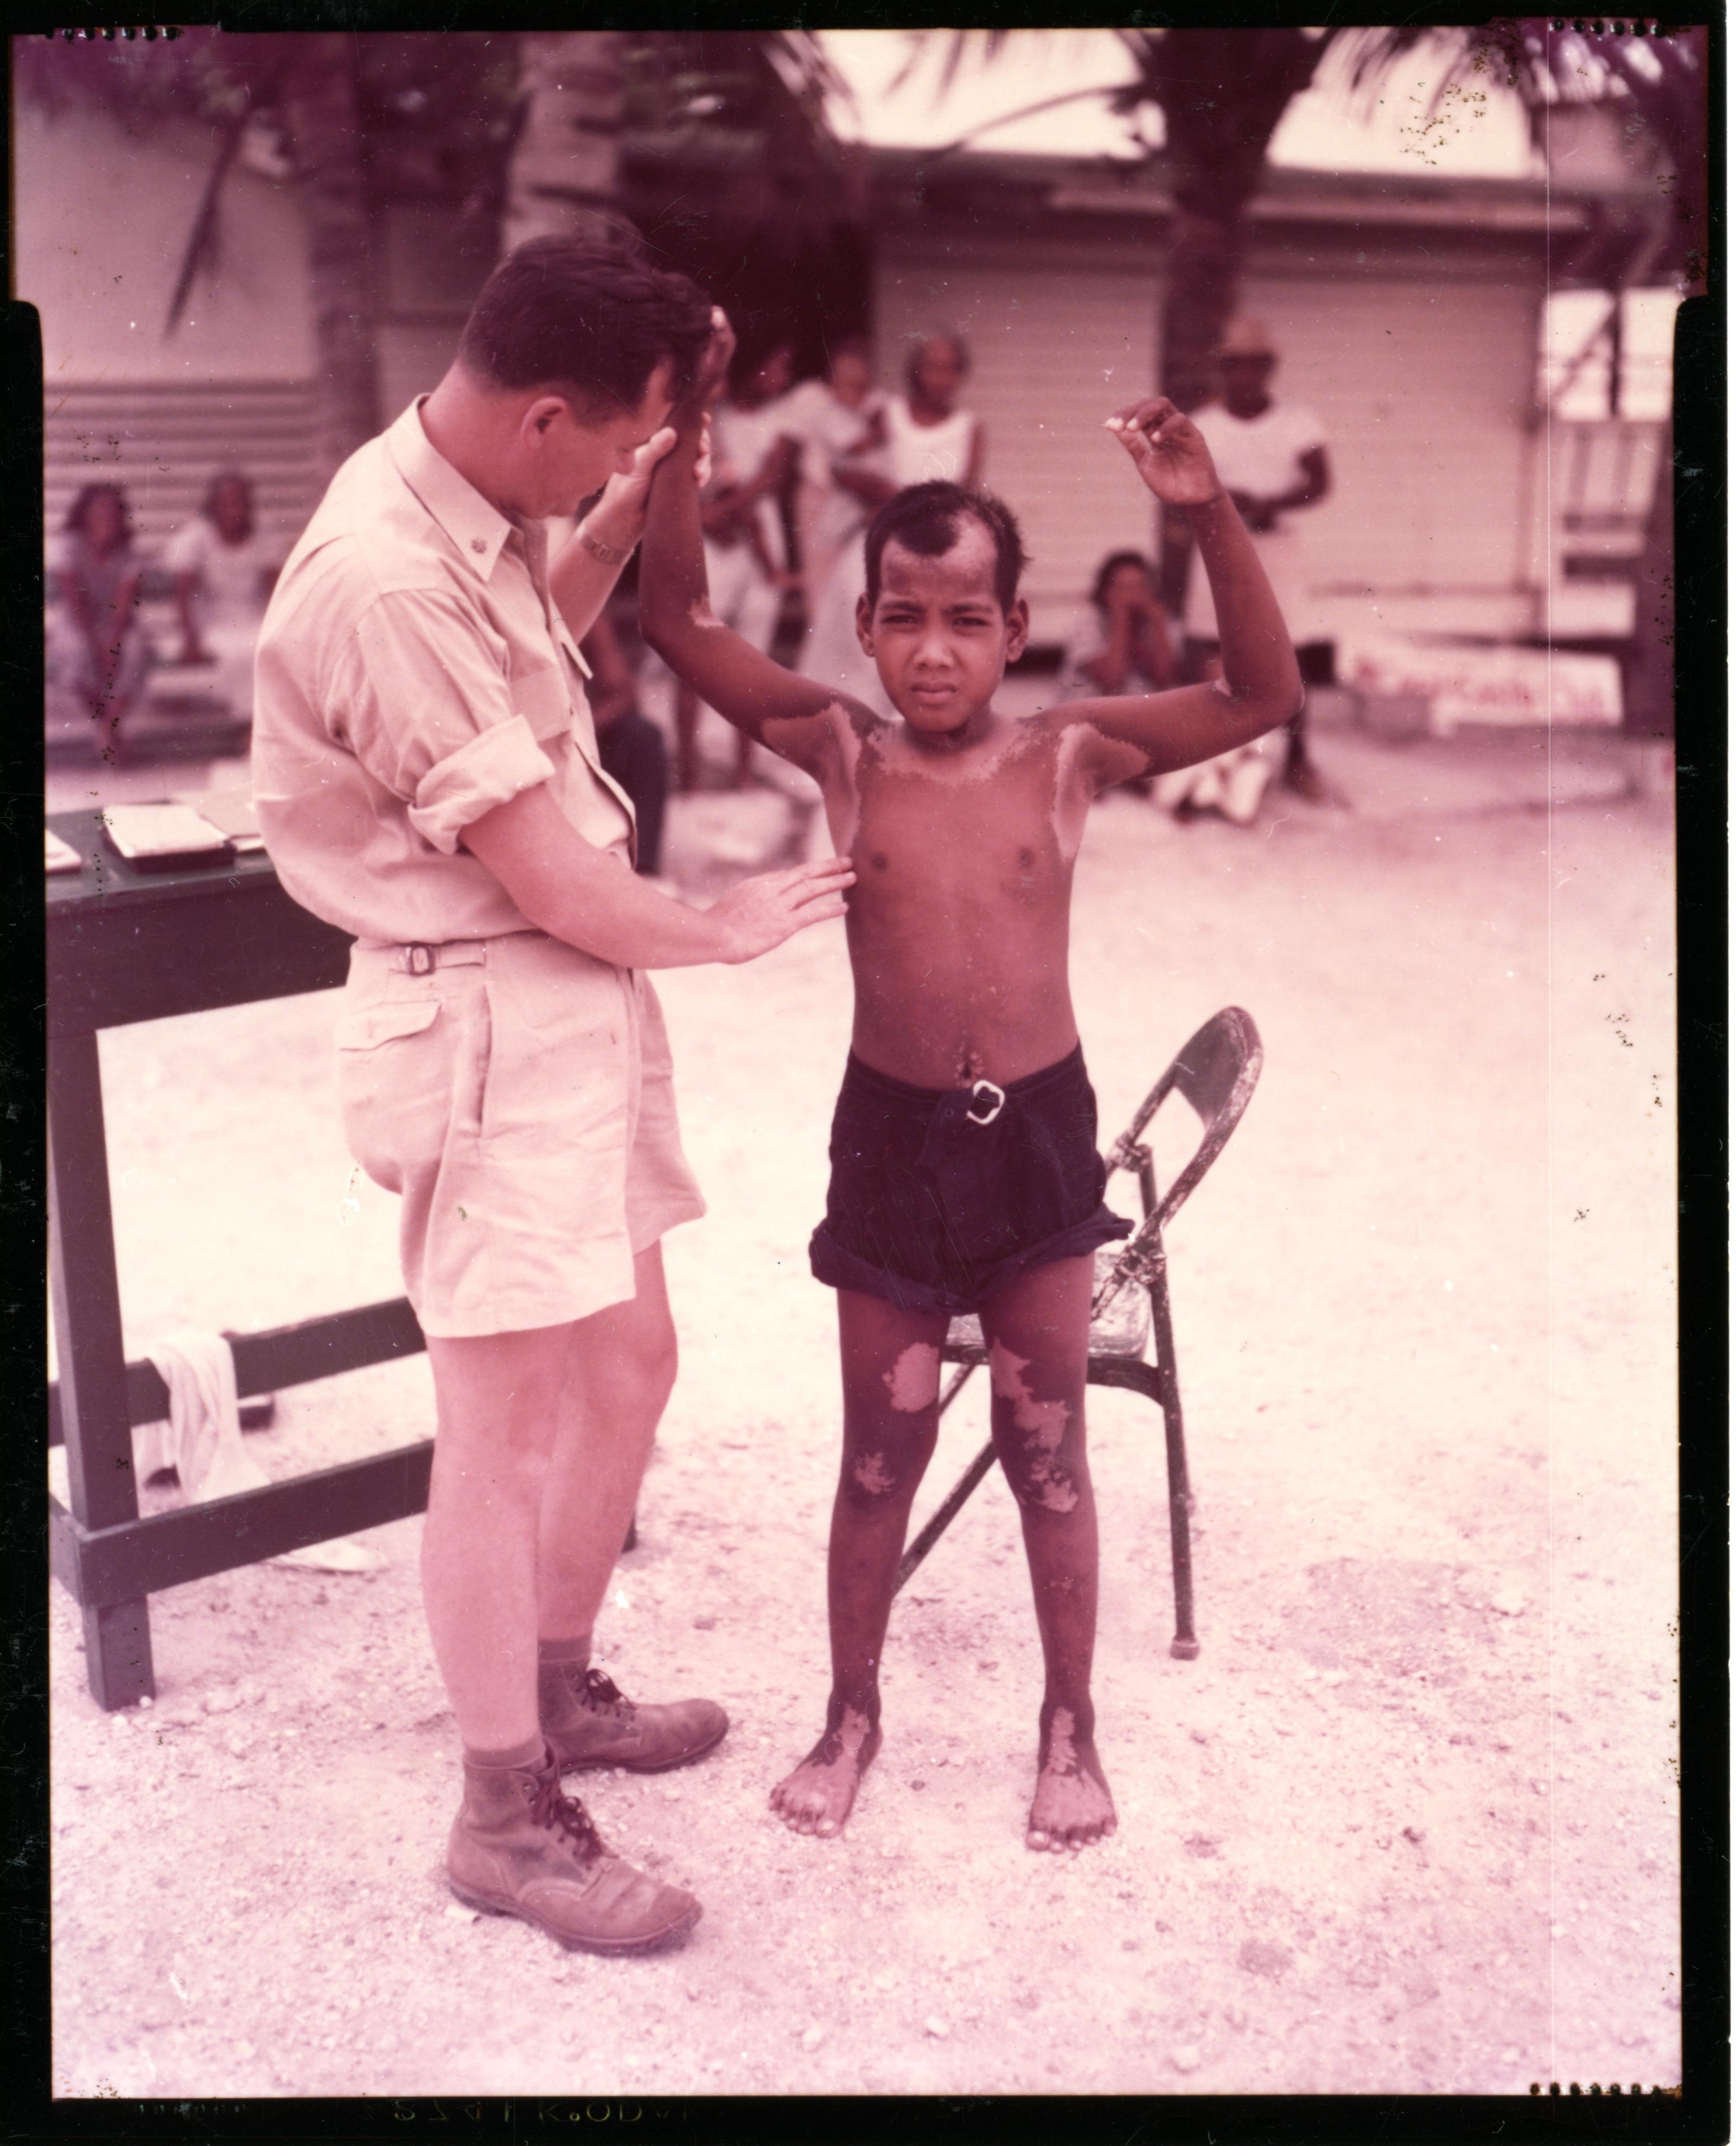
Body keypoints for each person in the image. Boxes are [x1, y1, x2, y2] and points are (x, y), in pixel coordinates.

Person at [251, 237, 854, 1957]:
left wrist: (637, 479)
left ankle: (554, 1686)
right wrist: (719, 927)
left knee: (629, 1364)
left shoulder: (470, 506)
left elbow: (531, 650)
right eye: (609, 444)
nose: (611, 474)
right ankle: (499, 1814)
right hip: (492, 1010)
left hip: (559, 1005)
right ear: (538, 413)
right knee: (502, 1438)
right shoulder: (380, 574)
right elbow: (551, 873)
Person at [640, 321, 1300, 1854]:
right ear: (864, 626)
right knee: (881, 1449)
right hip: (889, 1147)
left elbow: (1262, 695)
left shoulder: (1071, 751)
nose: (934, 649)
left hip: (1037, 1153)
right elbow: (676, 615)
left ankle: (1070, 1720)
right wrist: (686, 443)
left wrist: (1205, 511)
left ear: (1015, 631)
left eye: (967, 620)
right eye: (905, 618)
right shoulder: (841, 748)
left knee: (1048, 1447)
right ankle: (849, 1710)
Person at [1182, 317, 1336, 804]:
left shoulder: (1299, 421)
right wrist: (1226, 502)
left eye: (1254, 366)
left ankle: (1297, 759)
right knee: (1209, 644)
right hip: (1219, 546)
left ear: (1269, 368)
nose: (1244, 376)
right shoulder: (1202, 426)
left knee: (1287, 650)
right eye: (1234, 366)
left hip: (1278, 547)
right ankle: (1206, 762)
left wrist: (1275, 502)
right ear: (1223, 370)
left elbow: (1319, 482)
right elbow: (1184, 485)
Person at [797, 332, 987, 717]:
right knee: (861, 649)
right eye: (934, 366)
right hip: (879, 546)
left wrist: (902, 500)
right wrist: (883, 492)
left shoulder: (970, 427)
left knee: (918, 652)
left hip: (934, 553)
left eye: (951, 368)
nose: (942, 377)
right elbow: (846, 465)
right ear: (917, 370)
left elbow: (962, 499)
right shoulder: (890, 414)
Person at [672, 336, 801, 792]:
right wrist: (720, 512)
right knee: (697, 656)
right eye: (777, 365)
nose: (783, 378)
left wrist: (725, 510)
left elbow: (771, 479)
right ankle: (688, 773)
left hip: (755, 545)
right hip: (715, 547)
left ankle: (744, 773)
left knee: (753, 660)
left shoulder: (783, 420)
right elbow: (706, 491)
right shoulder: (715, 418)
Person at [1063, 552, 1272, 827]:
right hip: (1091, 725)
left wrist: (1159, 623)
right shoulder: (1089, 625)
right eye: (1121, 588)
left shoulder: (1161, 624)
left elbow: (1165, 678)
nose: (1130, 595)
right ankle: (1200, 788)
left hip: (1138, 725)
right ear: (1104, 592)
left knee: (1199, 738)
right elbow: (1111, 678)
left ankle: (1213, 786)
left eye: (1139, 587)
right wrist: (1121, 620)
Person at [164, 469, 283, 723]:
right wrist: (190, 639)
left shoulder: (263, 534)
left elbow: (277, 589)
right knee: (237, 651)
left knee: (262, 647)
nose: (234, 507)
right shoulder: (196, 536)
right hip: (210, 621)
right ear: (214, 505)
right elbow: (183, 597)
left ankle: (255, 724)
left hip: (252, 615)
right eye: (227, 501)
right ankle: (247, 723)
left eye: (241, 500)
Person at [46, 481, 151, 756]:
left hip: (117, 625)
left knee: (137, 650)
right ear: (84, 515)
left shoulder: (129, 552)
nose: (106, 517)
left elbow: (124, 605)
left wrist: (112, 644)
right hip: (77, 623)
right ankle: (108, 726)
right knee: (74, 652)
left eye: (113, 511)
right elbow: (74, 601)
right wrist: (97, 645)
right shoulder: (67, 547)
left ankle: (110, 725)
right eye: (99, 511)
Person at [580, 606, 670, 880]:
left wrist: (578, 732)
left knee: (643, 736)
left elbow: (623, 695)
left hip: (577, 738)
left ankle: (643, 872)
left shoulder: (580, 607)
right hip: (515, 745)